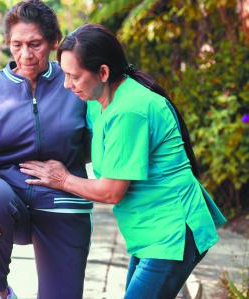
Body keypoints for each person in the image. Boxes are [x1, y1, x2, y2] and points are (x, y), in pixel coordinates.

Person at [20, 24, 227, 299]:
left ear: (103, 72)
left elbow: (111, 191)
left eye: (74, 76)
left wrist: (63, 179)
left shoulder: (131, 110)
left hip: (173, 232)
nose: (67, 84)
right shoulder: (99, 100)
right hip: (149, 231)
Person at [0, 2, 93, 299]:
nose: (26, 55)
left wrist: (68, 176)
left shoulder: (74, 83)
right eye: (17, 45)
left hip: (62, 204)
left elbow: (100, 141)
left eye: (35, 44)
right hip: (8, 203)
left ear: (54, 42)